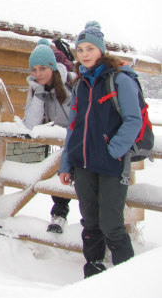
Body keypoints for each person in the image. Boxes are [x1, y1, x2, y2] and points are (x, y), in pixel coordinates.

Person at [58, 21, 141, 278]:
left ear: (101, 50)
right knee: (91, 223)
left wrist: (112, 150)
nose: (84, 54)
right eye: (80, 49)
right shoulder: (80, 84)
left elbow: (133, 120)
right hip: (83, 164)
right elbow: (73, 127)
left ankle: (127, 277)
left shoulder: (120, 80)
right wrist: (66, 163)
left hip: (111, 164)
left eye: (90, 48)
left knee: (111, 224)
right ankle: (93, 274)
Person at [23, 39, 75, 234]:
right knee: (59, 176)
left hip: (78, 139)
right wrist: (38, 93)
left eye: (42, 68)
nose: (37, 74)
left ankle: (92, 226)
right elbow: (31, 124)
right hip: (59, 140)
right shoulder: (37, 87)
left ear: (52, 67)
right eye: (34, 69)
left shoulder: (71, 83)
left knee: (84, 182)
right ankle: (59, 216)